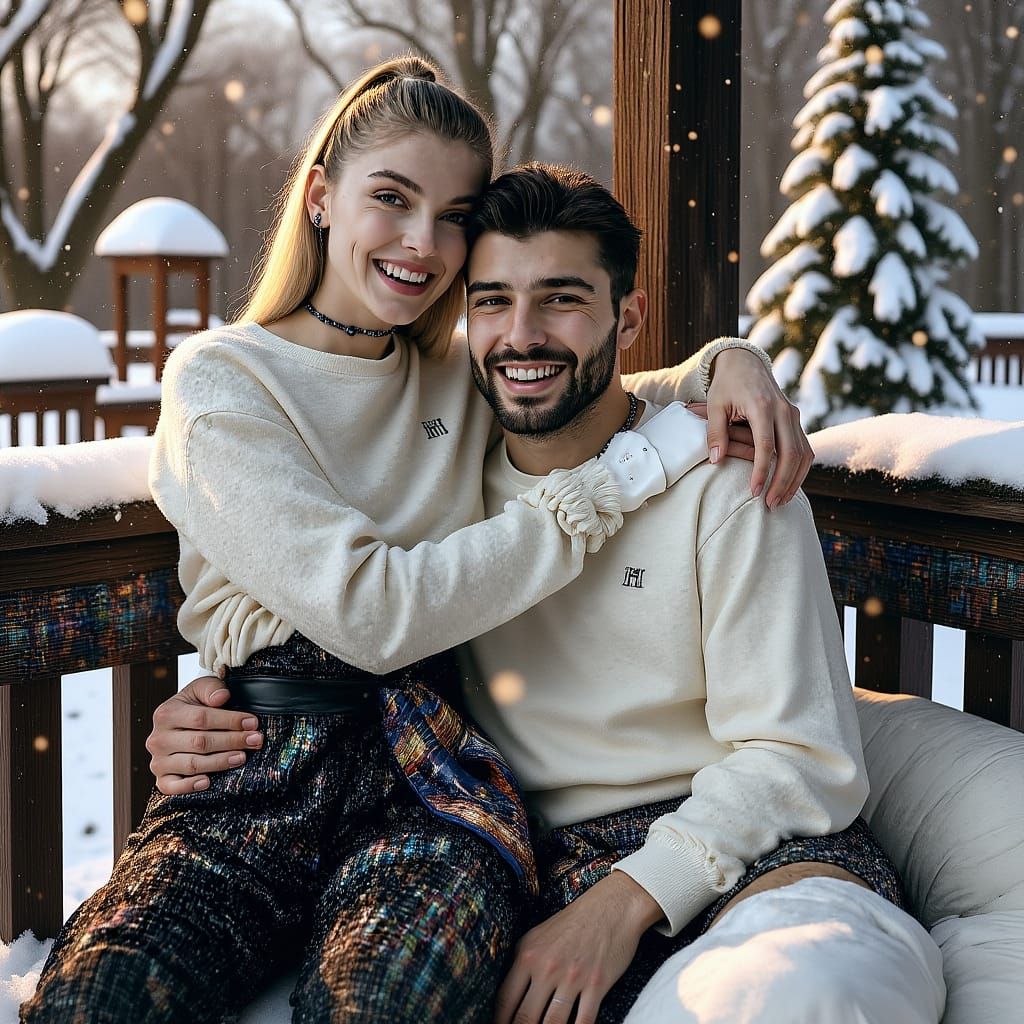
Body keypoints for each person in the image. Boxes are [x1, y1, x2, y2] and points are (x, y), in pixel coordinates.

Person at [21, 60, 805, 1024]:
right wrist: (632, 474)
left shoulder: (456, 365)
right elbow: (367, 614)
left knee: (385, 1003)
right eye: (390, 198)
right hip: (254, 765)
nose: (420, 242)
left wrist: (734, 361)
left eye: (453, 215)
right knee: (100, 996)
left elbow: (593, 373)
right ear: (319, 196)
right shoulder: (223, 382)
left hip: (434, 777)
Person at [148, 163, 947, 1024]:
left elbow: (803, 759)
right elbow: (335, 594)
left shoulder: (725, 483)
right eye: (491, 300)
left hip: (746, 849)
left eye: (561, 298)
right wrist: (218, 702)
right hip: (522, 860)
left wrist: (627, 900)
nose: (520, 336)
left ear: (627, 317)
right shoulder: (443, 478)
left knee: (796, 994)